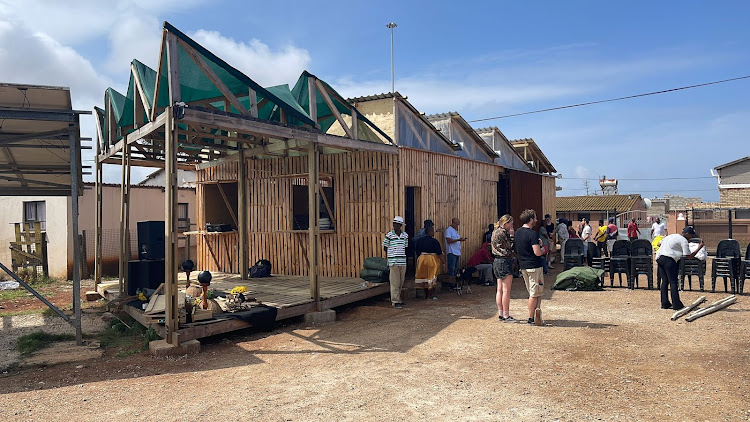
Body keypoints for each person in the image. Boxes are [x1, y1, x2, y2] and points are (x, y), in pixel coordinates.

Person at [655, 226, 704, 310]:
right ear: (687, 234)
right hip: (669, 260)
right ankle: (676, 304)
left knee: (665, 281)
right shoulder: (683, 240)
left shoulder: (671, 236)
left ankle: (665, 303)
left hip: (660, 258)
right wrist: (699, 247)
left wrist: (668, 248)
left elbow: (658, 244)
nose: (691, 238)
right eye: (691, 235)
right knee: (673, 282)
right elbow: (688, 256)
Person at [516, 209, 546, 325]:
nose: (536, 220)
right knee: (534, 293)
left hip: (523, 266)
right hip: (534, 266)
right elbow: (537, 252)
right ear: (531, 219)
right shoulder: (532, 234)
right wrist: (542, 249)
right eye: (535, 218)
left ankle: (537, 314)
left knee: (536, 291)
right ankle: (530, 318)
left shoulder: (518, 232)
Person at [492, 214, 516, 322]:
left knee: (499, 290)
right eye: (511, 223)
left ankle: (501, 313)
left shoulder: (495, 231)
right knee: (506, 290)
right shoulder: (503, 233)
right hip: (504, 260)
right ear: (505, 224)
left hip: (496, 261)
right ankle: (506, 315)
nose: (512, 226)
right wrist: (512, 236)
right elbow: (510, 246)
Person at [383, 216, 409, 309]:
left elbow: (405, 247)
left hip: (402, 261)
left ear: (400, 225)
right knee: (395, 282)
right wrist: (391, 256)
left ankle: (398, 299)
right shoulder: (389, 235)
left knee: (401, 281)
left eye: (397, 224)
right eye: (394, 224)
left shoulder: (405, 235)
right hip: (393, 261)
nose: (395, 226)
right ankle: (395, 301)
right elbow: (385, 248)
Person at [414, 225, 445, 300]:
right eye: (432, 231)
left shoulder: (420, 241)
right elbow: (439, 253)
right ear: (430, 232)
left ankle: (425, 294)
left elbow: (416, 251)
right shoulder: (434, 241)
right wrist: (444, 262)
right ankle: (430, 295)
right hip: (432, 260)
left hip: (422, 259)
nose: (433, 232)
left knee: (424, 277)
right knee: (431, 277)